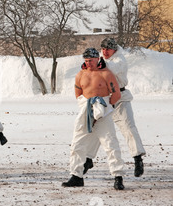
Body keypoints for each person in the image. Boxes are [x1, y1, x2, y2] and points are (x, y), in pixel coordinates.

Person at [62, 48, 126, 190]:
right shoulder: (80, 75)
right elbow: (78, 94)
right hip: (85, 111)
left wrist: (105, 108)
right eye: (86, 61)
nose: (88, 63)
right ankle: (76, 176)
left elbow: (116, 94)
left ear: (97, 59)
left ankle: (118, 176)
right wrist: (88, 108)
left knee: (110, 144)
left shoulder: (107, 74)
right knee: (77, 144)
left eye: (91, 60)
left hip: (104, 112)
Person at [83, 38, 145, 177]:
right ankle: (88, 159)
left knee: (128, 128)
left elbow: (109, 67)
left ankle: (137, 158)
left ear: (114, 50)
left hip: (121, 98)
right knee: (97, 129)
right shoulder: (101, 58)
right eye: (103, 49)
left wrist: (95, 63)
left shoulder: (119, 60)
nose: (105, 52)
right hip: (105, 99)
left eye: (108, 49)